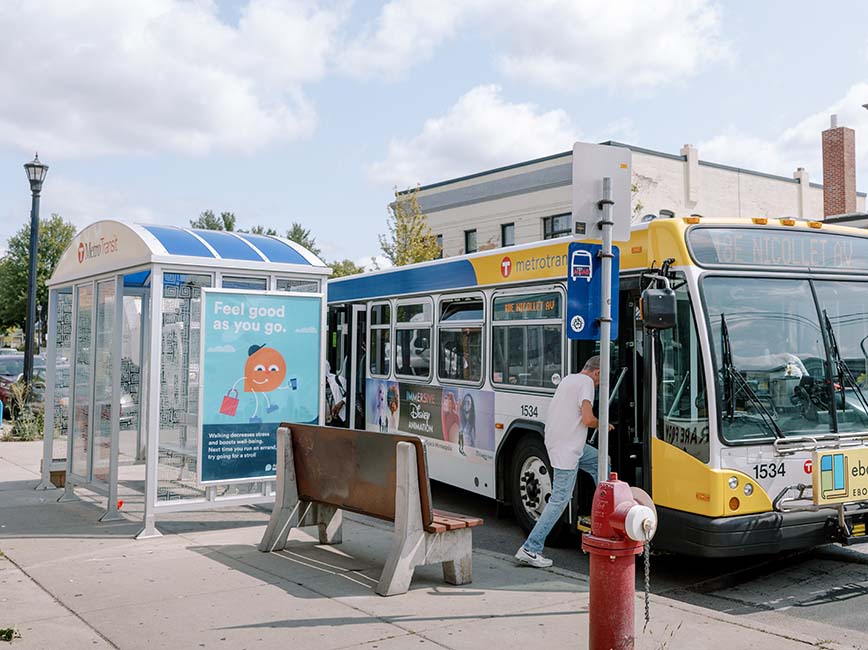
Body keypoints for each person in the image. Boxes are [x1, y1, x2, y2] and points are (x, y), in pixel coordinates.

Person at [514, 355, 612, 569]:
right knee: (560, 499)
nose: (599, 383)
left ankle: (603, 513)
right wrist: (604, 424)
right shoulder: (587, 383)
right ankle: (531, 548)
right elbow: (587, 419)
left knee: (601, 461)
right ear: (597, 372)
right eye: (600, 378)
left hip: (564, 443)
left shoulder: (569, 379)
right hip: (567, 449)